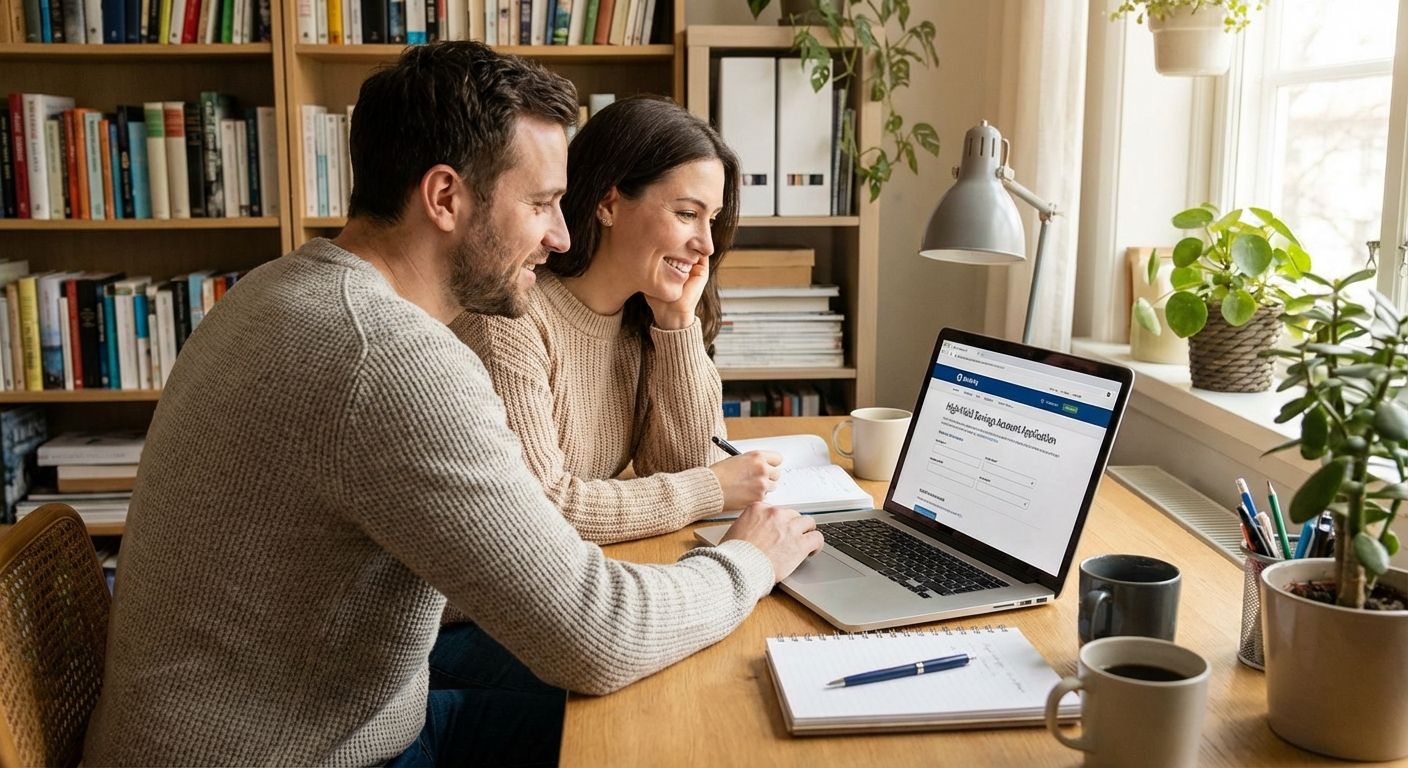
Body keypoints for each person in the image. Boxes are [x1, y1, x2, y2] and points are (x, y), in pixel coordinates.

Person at [82, 41, 823, 767]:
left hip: (350, 718)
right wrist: (746, 561)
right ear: (444, 198)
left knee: (664, 709)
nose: (559, 236)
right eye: (540, 204)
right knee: (676, 722)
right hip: (302, 751)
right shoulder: (393, 360)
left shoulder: (281, 287)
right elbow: (598, 635)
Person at [453, 97, 781, 545]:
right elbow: (540, 511)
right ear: (608, 203)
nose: (706, 244)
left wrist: (676, 323)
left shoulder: (641, 319)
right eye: (687, 214)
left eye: (712, 219)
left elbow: (685, 466)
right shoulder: (508, 322)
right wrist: (712, 487)